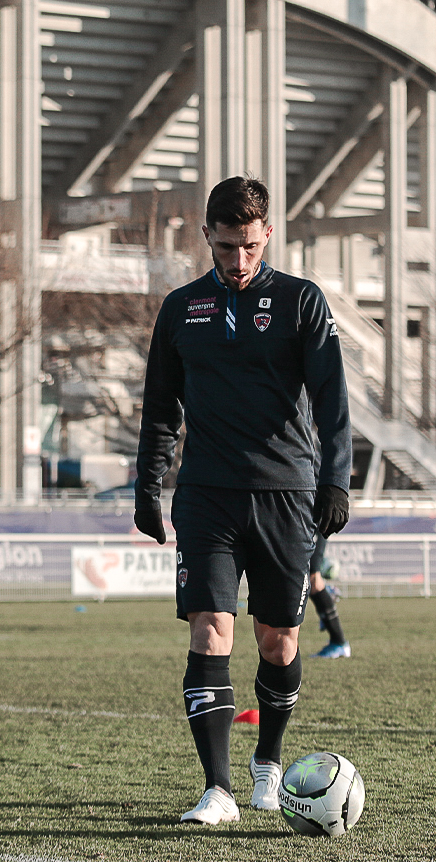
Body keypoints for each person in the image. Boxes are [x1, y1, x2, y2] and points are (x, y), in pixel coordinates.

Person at [133, 176, 352, 827]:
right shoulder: (181, 309)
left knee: (278, 640)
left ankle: (268, 763)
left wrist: (336, 481)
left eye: (250, 246)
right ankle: (217, 789)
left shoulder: (301, 302)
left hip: (288, 494)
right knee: (210, 629)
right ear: (206, 236)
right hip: (206, 496)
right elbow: (160, 409)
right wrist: (149, 485)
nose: (239, 260)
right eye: (227, 246)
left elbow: (334, 404)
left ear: (269, 236)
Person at [307, 538, 350, 659]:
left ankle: (339, 642)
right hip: (300, 530)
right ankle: (326, 596)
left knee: (312, 577)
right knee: (308, 578)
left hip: (313, 528)